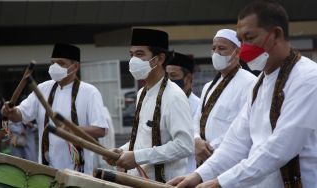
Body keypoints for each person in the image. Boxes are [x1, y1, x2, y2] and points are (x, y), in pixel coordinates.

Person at [168, 0, 317, 187]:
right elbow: (236, 143)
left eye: (250, 38)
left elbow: (280, 148)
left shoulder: (307, 77)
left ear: (276, 34)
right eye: (241, 39)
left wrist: (221, 182)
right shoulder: (260, 84)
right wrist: (197, 176)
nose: (244, 48)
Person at [2, 43, 108, 174]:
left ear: (75, 66)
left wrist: (73, 130)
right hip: (46, 168)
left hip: (78, 170)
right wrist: (10, 111)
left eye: (60, 63)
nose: (54, 67)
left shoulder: (90, 92)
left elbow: (101, 129)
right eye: (52, 63)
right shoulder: (43, 88)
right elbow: (20, 115)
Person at [103, 28, 194, 182]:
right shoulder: (142, 93)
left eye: (140, 54)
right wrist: (122, 151)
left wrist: (138, 157)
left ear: (159, 59)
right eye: (131, 55)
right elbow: (143, 140)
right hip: (139, 182)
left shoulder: (174, 96)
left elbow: (184, 145)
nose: (133, 60)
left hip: (165, 184)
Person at [193, 29, 256, 165]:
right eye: (213, 48)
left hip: (229, 162)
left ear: (237, 52)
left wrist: (209, 149)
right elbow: (197, 120)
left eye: (222, 48)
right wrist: (197, 140)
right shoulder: (208, 86)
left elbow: (241, 128)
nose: (216, 53)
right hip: (204, 161)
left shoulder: (250, 83)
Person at [166, 52, 200, 172]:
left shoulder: (200, 107)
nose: (169, 81)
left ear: (188, 79)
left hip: (189, 172)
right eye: (166, 76)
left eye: (173, 76)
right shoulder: (163, 103)